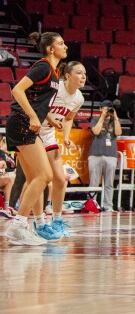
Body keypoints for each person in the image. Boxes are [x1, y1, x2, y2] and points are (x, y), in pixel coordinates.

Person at [4, 32, 66, 245]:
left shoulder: (54, 72)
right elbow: (18, 90)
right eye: (60, 43)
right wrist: (32, 115)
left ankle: (29, 225)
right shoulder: (43, 67)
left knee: (35, 178)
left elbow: (38, 99)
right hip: (22, 123)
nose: (65, 46)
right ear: (50, 48)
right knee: (45, 175)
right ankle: (18, 225)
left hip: (24, 124)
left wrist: (48, 117)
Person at [38, 61, 85, 236]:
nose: (83, 77)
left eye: (85, 74)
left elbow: (68, 118)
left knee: (60, 179)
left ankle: (57, 221)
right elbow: (39, 106)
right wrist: (50, 120)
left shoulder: (79, 98)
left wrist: (65, 137)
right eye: (79, 73)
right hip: (32, 131)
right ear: (67, 75)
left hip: (48, 135)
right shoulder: (55, 88)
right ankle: (37, 222)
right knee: (38, 179)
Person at [89, 99, 122, 212]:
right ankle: (92, 205)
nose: (107, 111)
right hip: (95, 154)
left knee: (109, 183)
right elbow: (96, 132)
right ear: (100, 109)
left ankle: (108, 206)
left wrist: (116, 118)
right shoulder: (95, 120)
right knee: (94, 182)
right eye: (105, 108)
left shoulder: (114, 121)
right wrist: (102, 117)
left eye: (109, 108)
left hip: (111, 155)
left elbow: (118, 133)